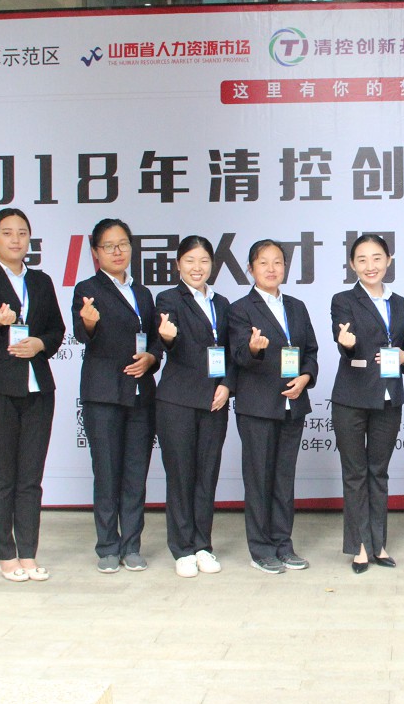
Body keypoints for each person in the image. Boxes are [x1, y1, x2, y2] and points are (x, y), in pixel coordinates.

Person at [0, 208, 66, 583]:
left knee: (30, 478)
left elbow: (56, 329)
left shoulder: (41, 281)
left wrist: (40, 343)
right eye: (7, 233)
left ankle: (28, 552)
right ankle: (5, 554)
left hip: (37, 388)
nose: (16, 239)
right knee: (2, 475)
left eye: (22, 232)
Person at [72, 218, 162, 574]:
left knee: (136, 473)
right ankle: (108, 546)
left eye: (122, 243)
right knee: (107, 473)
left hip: (140, 394)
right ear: (96, 252)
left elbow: (155, 339)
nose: (117, 251)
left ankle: (132, 545)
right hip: (104, 395)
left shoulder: (143, 293)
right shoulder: (87, 289)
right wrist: (89, 322)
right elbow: (83, 334)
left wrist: (151, 358)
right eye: (108, 246)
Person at [229, 239, 319, 574]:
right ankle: (261, 549)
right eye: (263, 262)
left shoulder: (296, 306)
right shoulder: (240, 309)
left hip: (292, 404)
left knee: (284, 479)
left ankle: (283, 544)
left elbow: (311, 351)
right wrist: (254, 348)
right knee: (259, 480)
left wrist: (306, 377)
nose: (271, 269)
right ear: (250, 269)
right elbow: (238, 356)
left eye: (278, 262)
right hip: (258, 406)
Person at [330, 234, 404, 573]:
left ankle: (378, 543)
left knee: (378, 472)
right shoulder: (343, 300)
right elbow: (345, 341)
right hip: (352, 397)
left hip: (389, 396)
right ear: (352, 264)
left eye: (377, 258)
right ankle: (360, 546)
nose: (370, 266)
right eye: (362, 259)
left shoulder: (400, 302)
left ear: (388, 261)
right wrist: (347, 343)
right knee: (355, 473)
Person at [155, 236, 235, 579]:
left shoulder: (223, 303)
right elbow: (169, 342)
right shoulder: (169, 299)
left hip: (215, 401)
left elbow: (231, 350)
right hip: (178, 401)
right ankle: (182, 548)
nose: (197, 267)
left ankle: (203, 544)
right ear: (178, 265)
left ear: (212, 264)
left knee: (207, 475)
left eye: (203, 261)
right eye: (190, 260)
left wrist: (227, 385)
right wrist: (167, 336)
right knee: (181, 475)